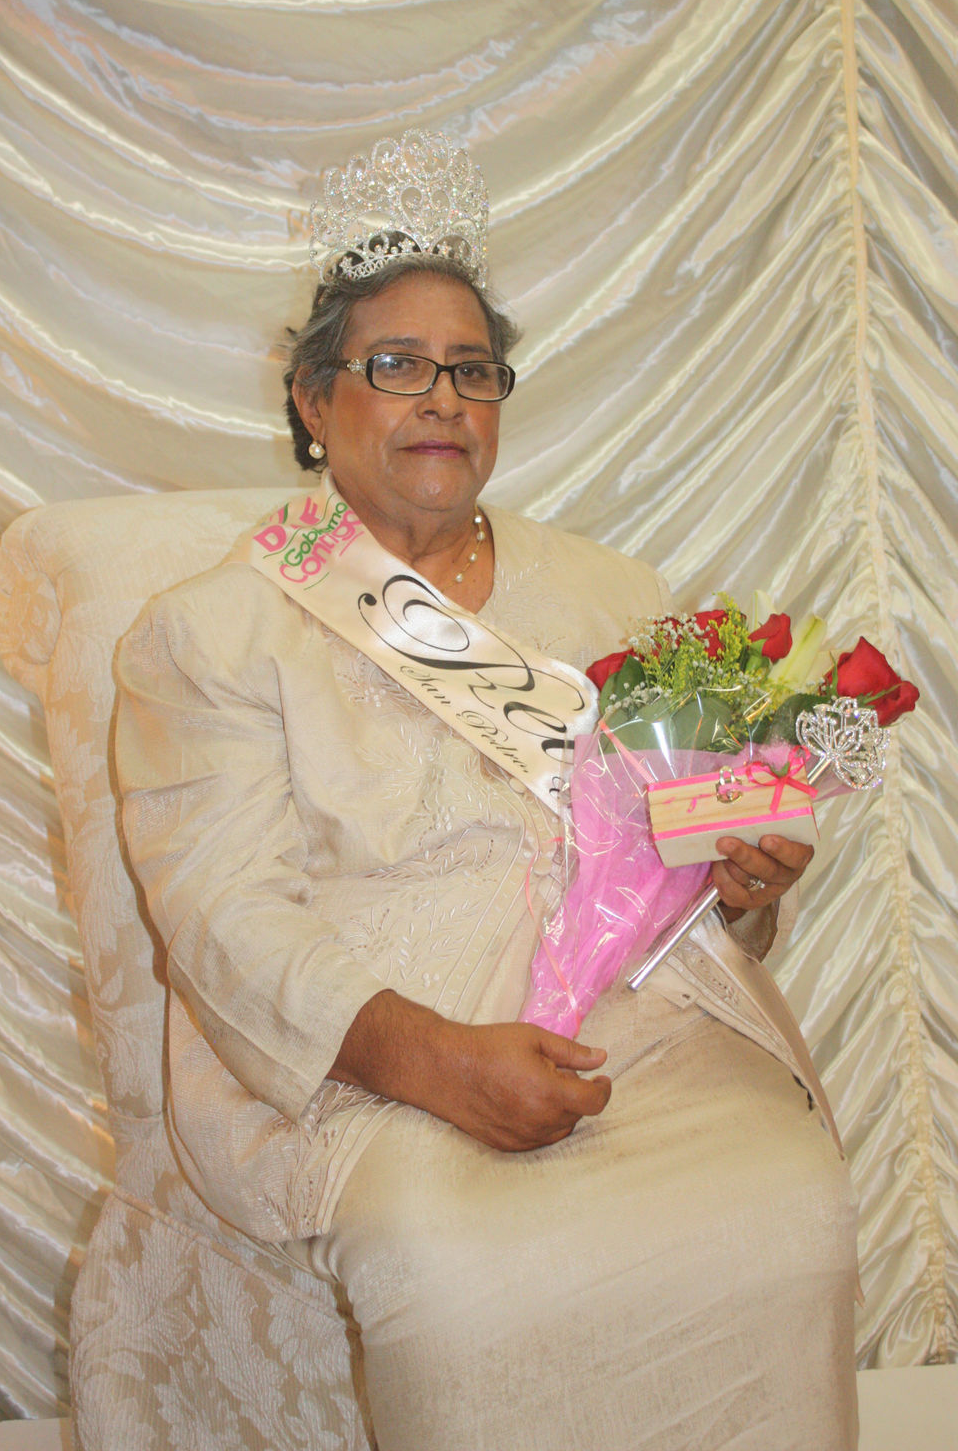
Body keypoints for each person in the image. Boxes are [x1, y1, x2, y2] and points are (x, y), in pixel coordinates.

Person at [114, 131, 859, 1450]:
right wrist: (438, 1064)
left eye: (472, 370)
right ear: (313, 400)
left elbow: (675, 858)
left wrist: (742, 881)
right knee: (468, 1276)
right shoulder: (212, 629)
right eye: (398, 366)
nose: (443, 399)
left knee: (789, 1211)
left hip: (643, 1033)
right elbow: (221, 912)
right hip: (381, 1055)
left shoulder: (614, 591)